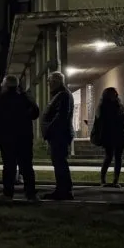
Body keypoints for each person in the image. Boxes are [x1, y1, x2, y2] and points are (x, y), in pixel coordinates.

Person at [0, 75, 40, 201]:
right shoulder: (25, 98)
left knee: (8, 165)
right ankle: (30, 193)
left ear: (6, 85)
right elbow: (35, 113)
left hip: (7, 136)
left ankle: (8, 193)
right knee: (27, 165)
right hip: (24, 136)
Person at [41, 71, 75, 200]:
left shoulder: (63, 95)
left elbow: (60, 117)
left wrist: (49, 130)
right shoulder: (61, 94)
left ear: (56, 82)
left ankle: (64, 191)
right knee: (59, 163)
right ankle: (62, 189)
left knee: (60, 163)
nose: (48, 84)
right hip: (58, 134)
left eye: (49, 81)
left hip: (59, 135)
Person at [91, 87, 124, 187]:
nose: (115, 95)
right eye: (113, 94)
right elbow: (103, 122)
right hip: (108, 135)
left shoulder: (120, 106)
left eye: (116, 94)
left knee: (118, 158)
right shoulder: (103, 107)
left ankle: (115, 180)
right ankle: (103, 179)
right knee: (108, 157)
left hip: (120, 135)